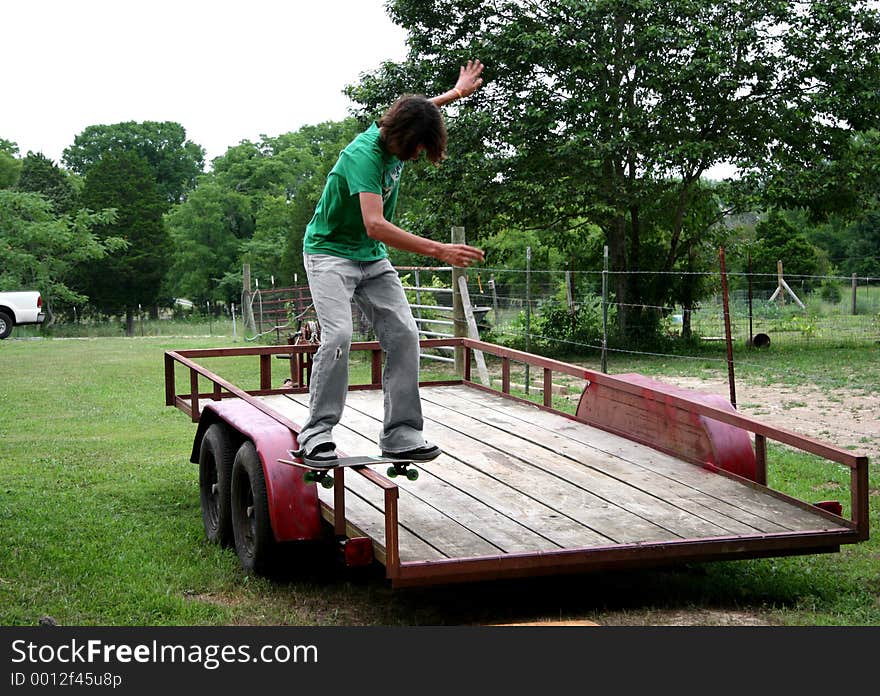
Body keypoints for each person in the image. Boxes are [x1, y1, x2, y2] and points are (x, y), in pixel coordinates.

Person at [294, 60, 486, 467]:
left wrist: (454, 94)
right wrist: (440, 251)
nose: (417, 155)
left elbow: (418, 109)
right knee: (339, 336)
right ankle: (317, 432)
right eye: (416, 147)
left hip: (370, 258)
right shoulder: (362, 156)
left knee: (404, 334)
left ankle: (400, 433)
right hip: (330, 253)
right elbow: (375, 225)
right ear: (400, 137)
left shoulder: (399, 128)